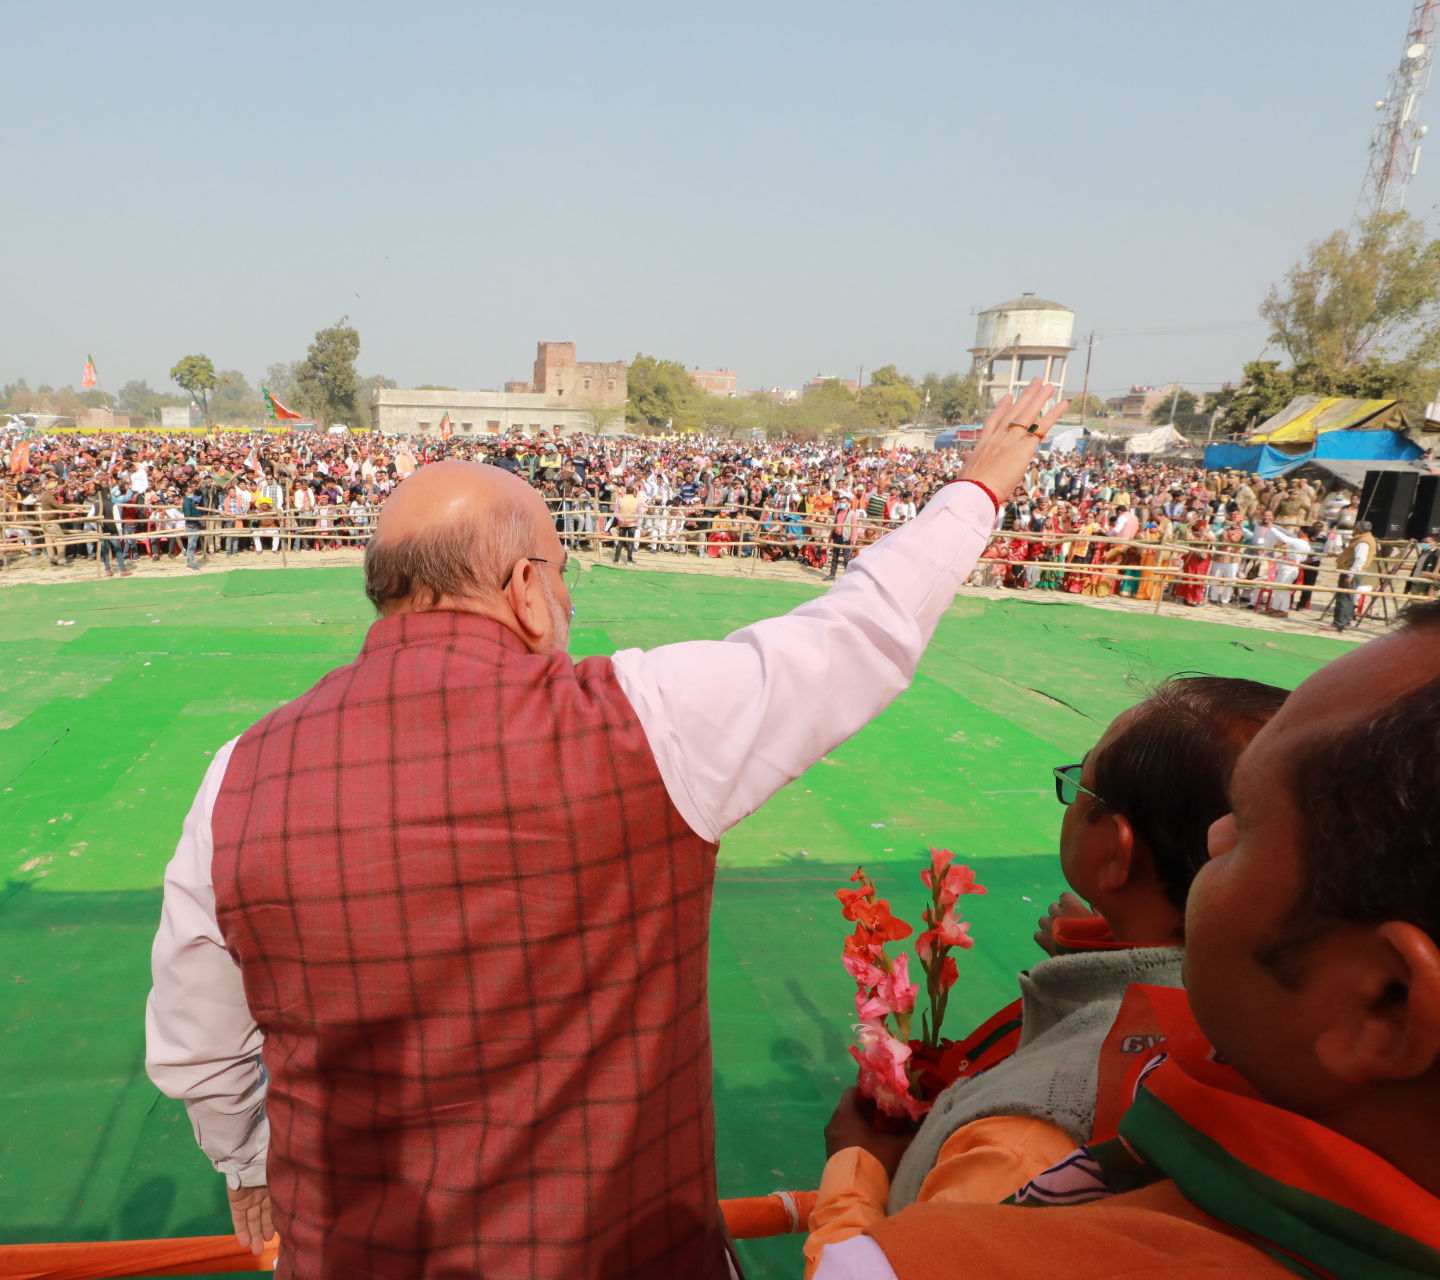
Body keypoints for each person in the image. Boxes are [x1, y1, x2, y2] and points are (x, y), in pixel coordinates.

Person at [144, 381, 1066, 1277]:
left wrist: (251, 1165)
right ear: (525, 588)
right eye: (562, 573)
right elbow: (859, 634)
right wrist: (976, 488)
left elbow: (200, 1048)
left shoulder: (239, 775)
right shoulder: (641, 721)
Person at [809, 603, 1440, 1280]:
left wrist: (857, 1172)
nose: (1213, 840)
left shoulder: (1019, 1166)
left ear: (1386, 1002)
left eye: (1248, 826)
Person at [802, 676, 1287, 1270]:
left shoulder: (1027, 1138)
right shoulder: (1263, 1018)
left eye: (1078, 785)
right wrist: (1097, 946)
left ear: (1114, 850)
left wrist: (855, 1171)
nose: (1072, 797)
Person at [1333, 518, 1377, 632]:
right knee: (1348, 597)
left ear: (1358, 529)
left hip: (1351, 572)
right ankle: (1345, 622)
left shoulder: (1363, 541)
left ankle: (1339, 624)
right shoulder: (1364, 539)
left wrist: (1350, 575)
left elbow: (1360, 559)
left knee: (1344, 598)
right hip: (1352, 571)